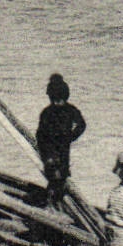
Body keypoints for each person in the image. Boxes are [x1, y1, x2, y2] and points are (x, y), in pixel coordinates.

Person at [36, 73, 87, 208]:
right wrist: (71, 137)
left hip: (53, 147)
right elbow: (81, 125)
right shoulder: (70, 109)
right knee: (59, 175)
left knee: (57, 175)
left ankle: (52, 201)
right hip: (59, 147)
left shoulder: (48, 111)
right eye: (55, 100)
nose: (57, 103)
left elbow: (40, 134)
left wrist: (70, 137)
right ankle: (54, 201)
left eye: (59, 100)